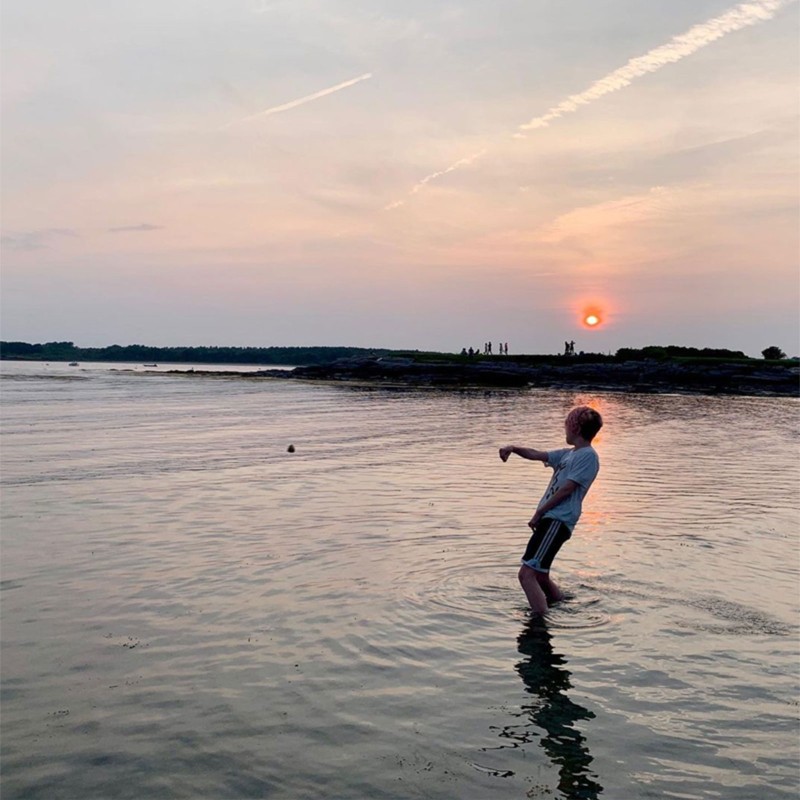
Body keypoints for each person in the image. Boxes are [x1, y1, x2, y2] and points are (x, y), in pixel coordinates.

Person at [499, 406, 603, 614]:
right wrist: (513, 448)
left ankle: (540, 622)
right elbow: (537, 454)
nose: (564, 428)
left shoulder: (588, 456)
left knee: (526, 574)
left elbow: (567, 488)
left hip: (557, 520)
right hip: (552, 519)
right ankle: (560, 606)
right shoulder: (568, 454)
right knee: (540, 575)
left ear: (575, 427)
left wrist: (539, 513)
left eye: (566, 423)